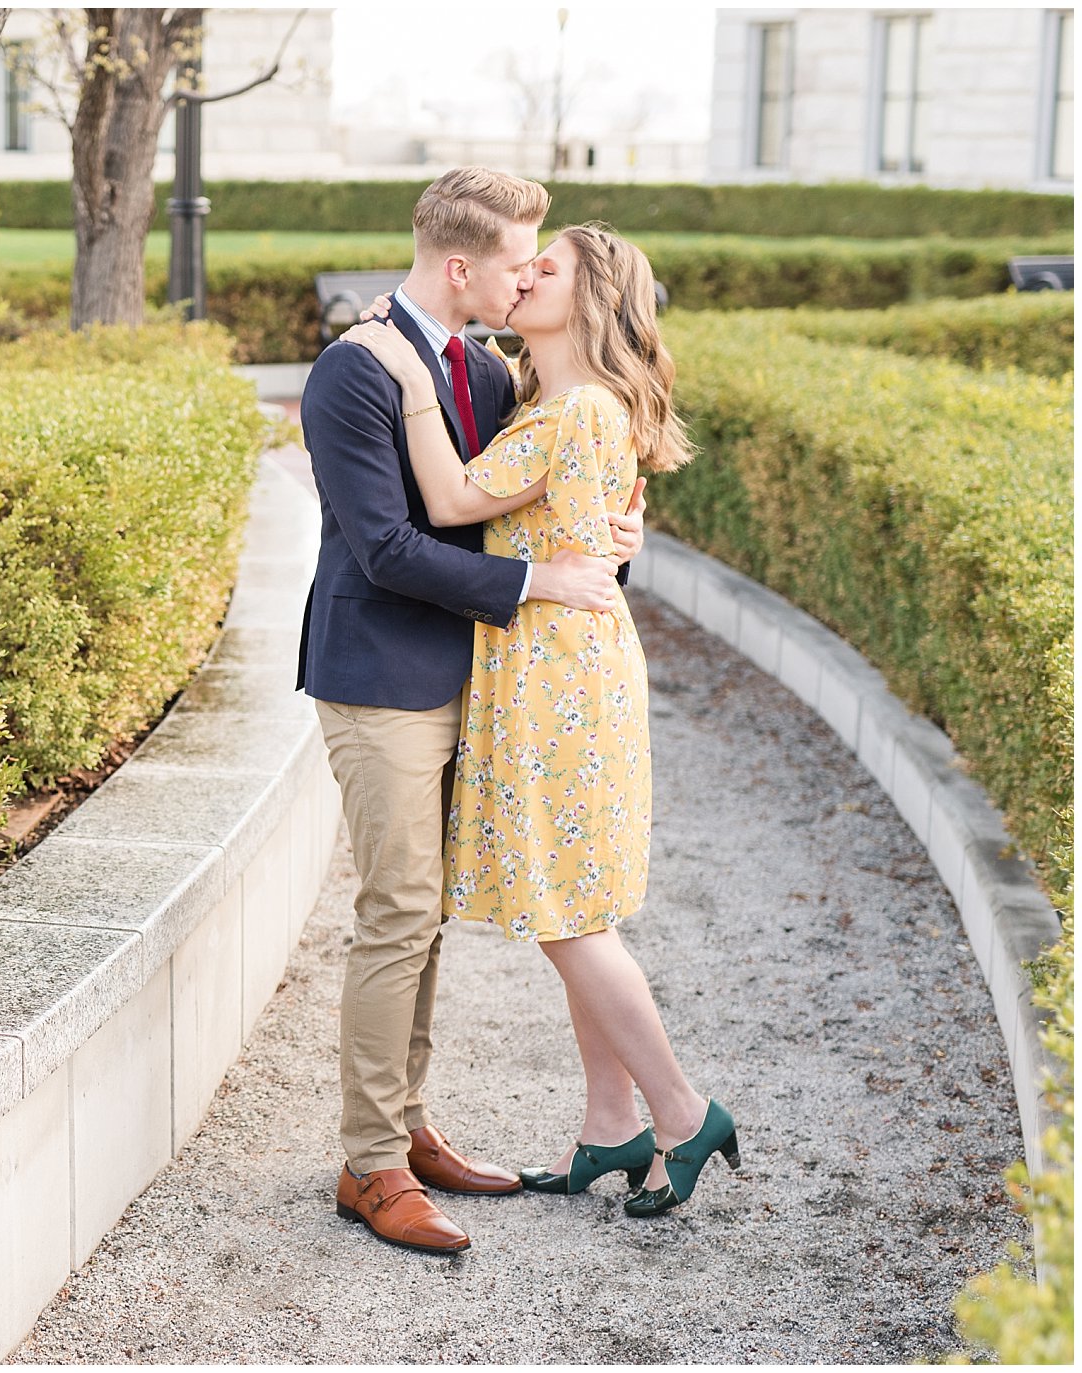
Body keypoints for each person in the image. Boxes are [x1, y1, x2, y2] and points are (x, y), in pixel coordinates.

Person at [341, 221, 737, 1222]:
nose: (523, 278)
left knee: (562, 914)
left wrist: (404, 369)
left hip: (555, 682)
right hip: (561, 671)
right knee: (575, 907)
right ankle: (611, 1123)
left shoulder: (571, 413)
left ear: (588, 298)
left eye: (544, 269)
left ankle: (682, 1110)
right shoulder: (552, 404)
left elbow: (441, 494)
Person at [296, 167, 645, 1257]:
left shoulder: (488, 375)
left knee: (424, 912)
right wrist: (539, 584)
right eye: (513, 262)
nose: (525, 277)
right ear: (460, 267)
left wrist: (602, 547)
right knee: (395, 907)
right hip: (379, 674)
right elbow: (387, 546)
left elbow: (520, 504)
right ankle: (368, 1162)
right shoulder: (351, 373)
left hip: (474, 677)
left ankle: (404, 1124)